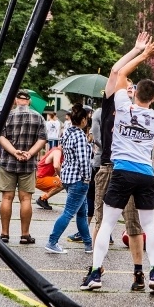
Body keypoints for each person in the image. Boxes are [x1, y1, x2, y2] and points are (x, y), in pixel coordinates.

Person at [81, 36, 154, 294]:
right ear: (153, 98)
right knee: (148, 225)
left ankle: (96, 273)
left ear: (135, 92)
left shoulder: (123, 106)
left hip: (121, 172)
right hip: (145, 174)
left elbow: (118, 71)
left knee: (106, 224)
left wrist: (143, 54)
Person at [82, 33, 150, 292]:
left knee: (134, 225)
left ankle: (138, 274)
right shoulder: (112, 102)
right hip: (110, 167)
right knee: (102, 221)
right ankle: (96, 270)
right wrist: (136, 51)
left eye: (132, 87)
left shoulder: (141, 114)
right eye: (126, 84)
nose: (128, 87)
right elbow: (114, 71)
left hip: (132, 170)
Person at [0, 89, 47, 244]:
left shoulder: (7, 116)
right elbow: (43, 139)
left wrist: (14, 152)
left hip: (8, 163)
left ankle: (4, 234)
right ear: (29, 101)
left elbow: (1, 137)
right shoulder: (38, 117)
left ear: (15, 100)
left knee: (7, 197)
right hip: (28, 164)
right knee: (26, 199)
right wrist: (29, 153)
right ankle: (25, 235)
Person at [45, 103, 93, 254]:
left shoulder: (67, 132)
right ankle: (52, 241)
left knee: (81, 212)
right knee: (69, 212)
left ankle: (88, 244)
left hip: (68, 176)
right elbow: (83, 160)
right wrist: (87, 178)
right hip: (79, 179)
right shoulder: (79, 136)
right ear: (84, 120)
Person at [35, 145, 63, 210]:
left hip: (40, 177)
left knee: (60, 180)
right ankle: (42, 199)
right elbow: (56, 166)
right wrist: (62, 178)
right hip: (39, 178)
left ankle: (43, 198)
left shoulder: (59, 152)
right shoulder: (57, 152)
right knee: (63, 183)